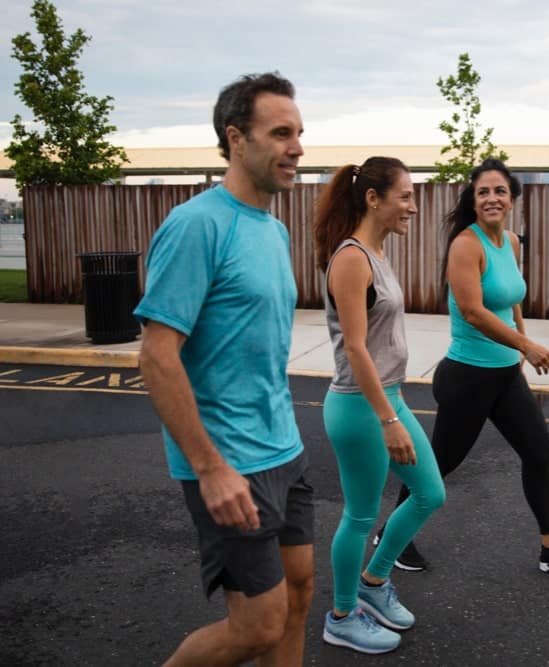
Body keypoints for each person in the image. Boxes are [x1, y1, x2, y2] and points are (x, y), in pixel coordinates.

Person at [134, 72, 314, 666]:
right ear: (236, 139)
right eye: (281, 133)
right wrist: (210, 468)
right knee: (257, 627)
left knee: (299, 590)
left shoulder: (273, 227)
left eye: (300, 133)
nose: (297, 148)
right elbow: (157, 355)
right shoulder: (196, 226)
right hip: (229, 459)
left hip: (282, 448)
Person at [386, 158, 549, 574]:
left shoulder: (511, 242)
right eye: (483, 191)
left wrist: (518, 351)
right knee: (440, 463)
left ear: (512, 199)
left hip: (504, 373)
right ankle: (392, 536)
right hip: (468, 376)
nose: (491, 198)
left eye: (499, 191)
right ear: (473, 199)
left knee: (538, 449)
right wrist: (528, 344)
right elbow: (471, 311)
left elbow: (510, 299)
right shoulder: (466, 245)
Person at [313, 157, 445, 654]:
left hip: (387, 398)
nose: (413, 205)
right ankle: (342, 614)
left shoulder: (377, 254)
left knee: (430, 493)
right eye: (405, 196)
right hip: (360, 407)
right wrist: (388, 420)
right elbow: (354, 347)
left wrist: (392, 409)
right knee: (361, 515)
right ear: (374, 199)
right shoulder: (351, 259)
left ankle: (373, 582)